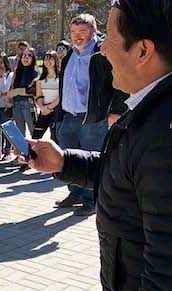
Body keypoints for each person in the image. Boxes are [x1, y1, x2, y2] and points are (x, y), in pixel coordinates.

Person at [27, 2, 172, 291]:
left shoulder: (163, 132)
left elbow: (168, 282)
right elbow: (123, 175)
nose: (102, 48)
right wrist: (63, 162)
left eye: (110, 37)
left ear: (142, 51)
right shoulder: (150, 108)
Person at [55, 13, 128, 216]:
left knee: (91, 157)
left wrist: (114, 110)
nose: (77, 36)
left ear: (93, 31)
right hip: (69, 115)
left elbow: (120, 82)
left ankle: (91, 200)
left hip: (93, 118)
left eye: (82, 32)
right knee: (69, 156)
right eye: (73, 32)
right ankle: (75, 193)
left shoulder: (103, 53)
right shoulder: (70, 54)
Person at [8, 47, 38, 142]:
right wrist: (10, 97)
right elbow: (12, 89)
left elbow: (32, 90)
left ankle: (37, 155)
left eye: (29, 55)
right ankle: (23, 154)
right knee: (20, 133)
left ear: (33, 59)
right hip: (16, 104)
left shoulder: (35, 73)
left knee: (34, 132)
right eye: (24, 55)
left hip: (29, 105)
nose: (26, 57)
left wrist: (17, 92)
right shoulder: (17, 72)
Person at [33, 51, 60, 140]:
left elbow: (61, 96)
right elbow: (39, 96)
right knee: (35, 137)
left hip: (56, 112)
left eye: (51, 59)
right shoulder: (40, 79)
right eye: (46, 59)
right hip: (44, 111)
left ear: (55, 60)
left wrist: (49, 108)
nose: (48, 61)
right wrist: (42, 107)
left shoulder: (61, 77)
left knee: (55, 138)